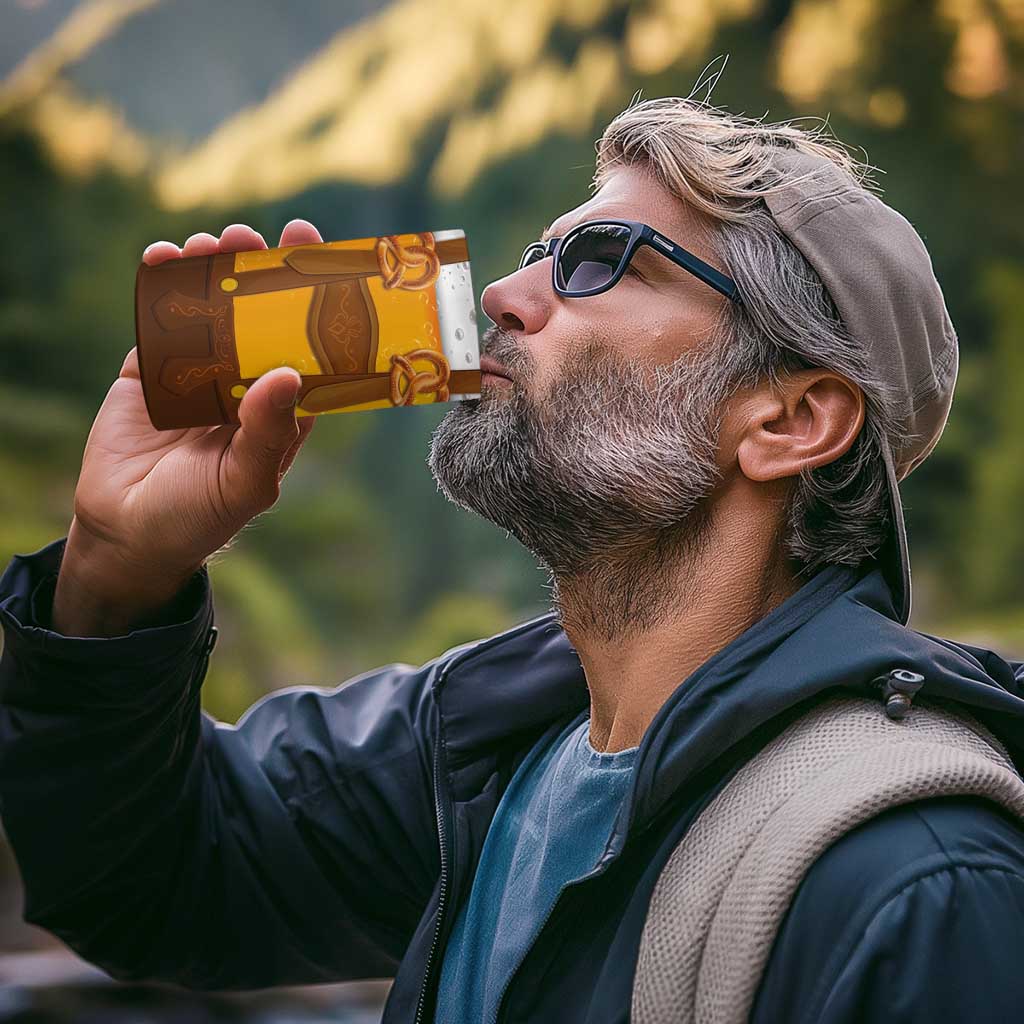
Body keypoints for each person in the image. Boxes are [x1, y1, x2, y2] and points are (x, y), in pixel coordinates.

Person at [2, 96, 1024, 1024]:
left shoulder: (918, 883)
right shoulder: (479, 750)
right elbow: (149, 880)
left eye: (599, 261)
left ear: (791, 419)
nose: (500, 291)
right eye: (540, 252)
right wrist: (116, 570)